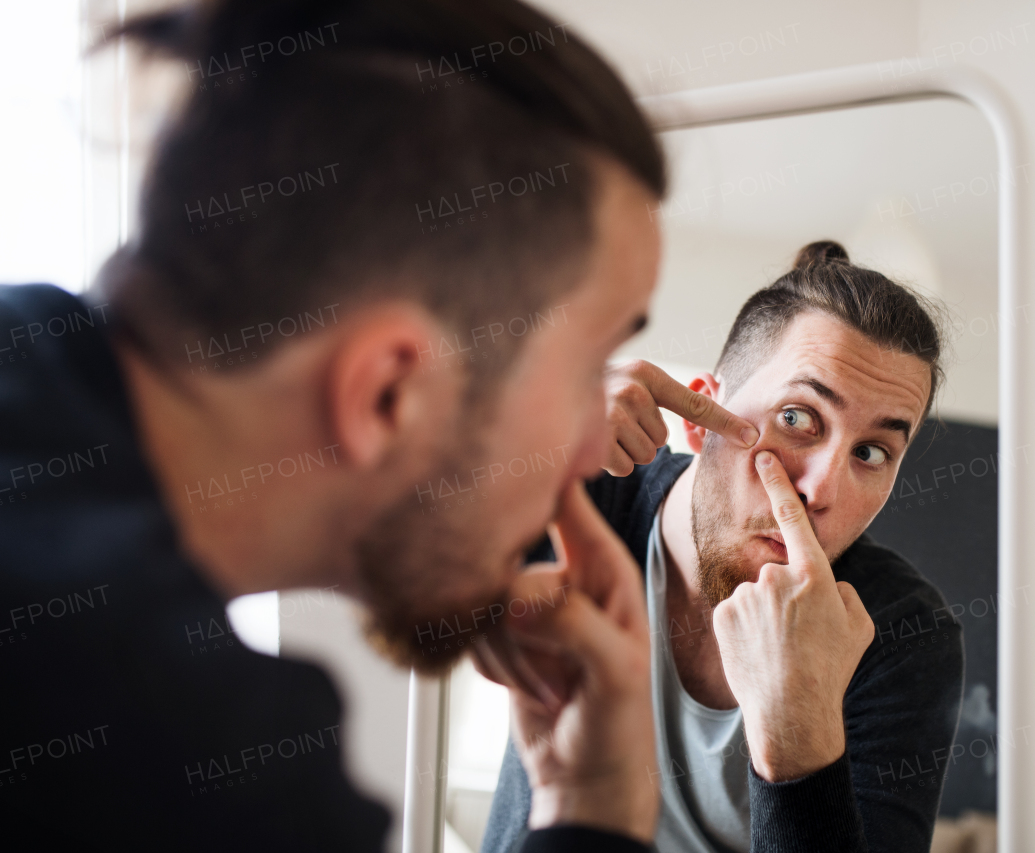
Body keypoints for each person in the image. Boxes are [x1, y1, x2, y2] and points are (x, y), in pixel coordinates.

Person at [0, 0, 761, 849]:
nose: (597, 443)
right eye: (590, 370)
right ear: (390, 394)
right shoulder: (197, 768)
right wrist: (593, 805)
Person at [483, 241, 965, 853]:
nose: (821, 489)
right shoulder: (585, 497)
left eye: (871, 453)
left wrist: (800, 732)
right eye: (798, 418)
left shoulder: (905, 634)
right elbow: (401, 572)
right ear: (697, 415)